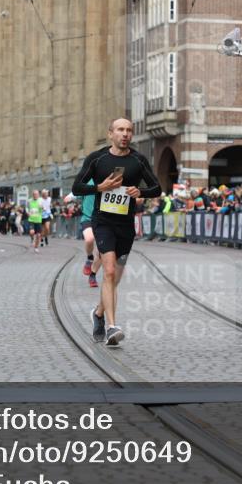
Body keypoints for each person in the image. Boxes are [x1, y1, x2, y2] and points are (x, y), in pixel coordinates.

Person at [72, 118, 161, 346]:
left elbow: (157, 188)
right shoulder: (97, 158)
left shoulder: (138, 160)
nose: (125, 134)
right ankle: (113, 327)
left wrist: (139, 191)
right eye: (120, 130)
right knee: (108, 271)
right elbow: (76, 187)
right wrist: (99, 188)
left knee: (114, 279)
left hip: (125, 226)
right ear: (110, 133)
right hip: (102, 222)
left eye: (129, 131)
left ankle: (98, 314)